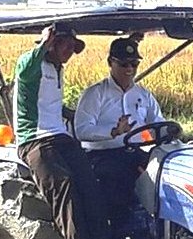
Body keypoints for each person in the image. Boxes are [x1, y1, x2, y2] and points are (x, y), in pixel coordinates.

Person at [14, 24, 131, 239]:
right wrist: (43, 44)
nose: (69, 52)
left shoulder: (58, 69)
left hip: (61, 136)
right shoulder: (31, 66)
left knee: (90, 183)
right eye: (66, 45)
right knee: (63, 184)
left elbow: (51, 105)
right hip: (35, 139)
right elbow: (25, 70)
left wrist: (79, 115)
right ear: (52, 43)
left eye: (72, 47)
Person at [74, 37, 172, 219]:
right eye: (124, 64)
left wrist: (170, 133)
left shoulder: (143, 95)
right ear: (111, 63)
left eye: (134, 64)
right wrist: (113, 132)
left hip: (134, 152)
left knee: (166, 172)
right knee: (120, 179)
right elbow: (82, 130)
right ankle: (118, 233)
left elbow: (157, 123)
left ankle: (163, 224)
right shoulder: (95, 94)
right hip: (102, 155)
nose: (130, 69)